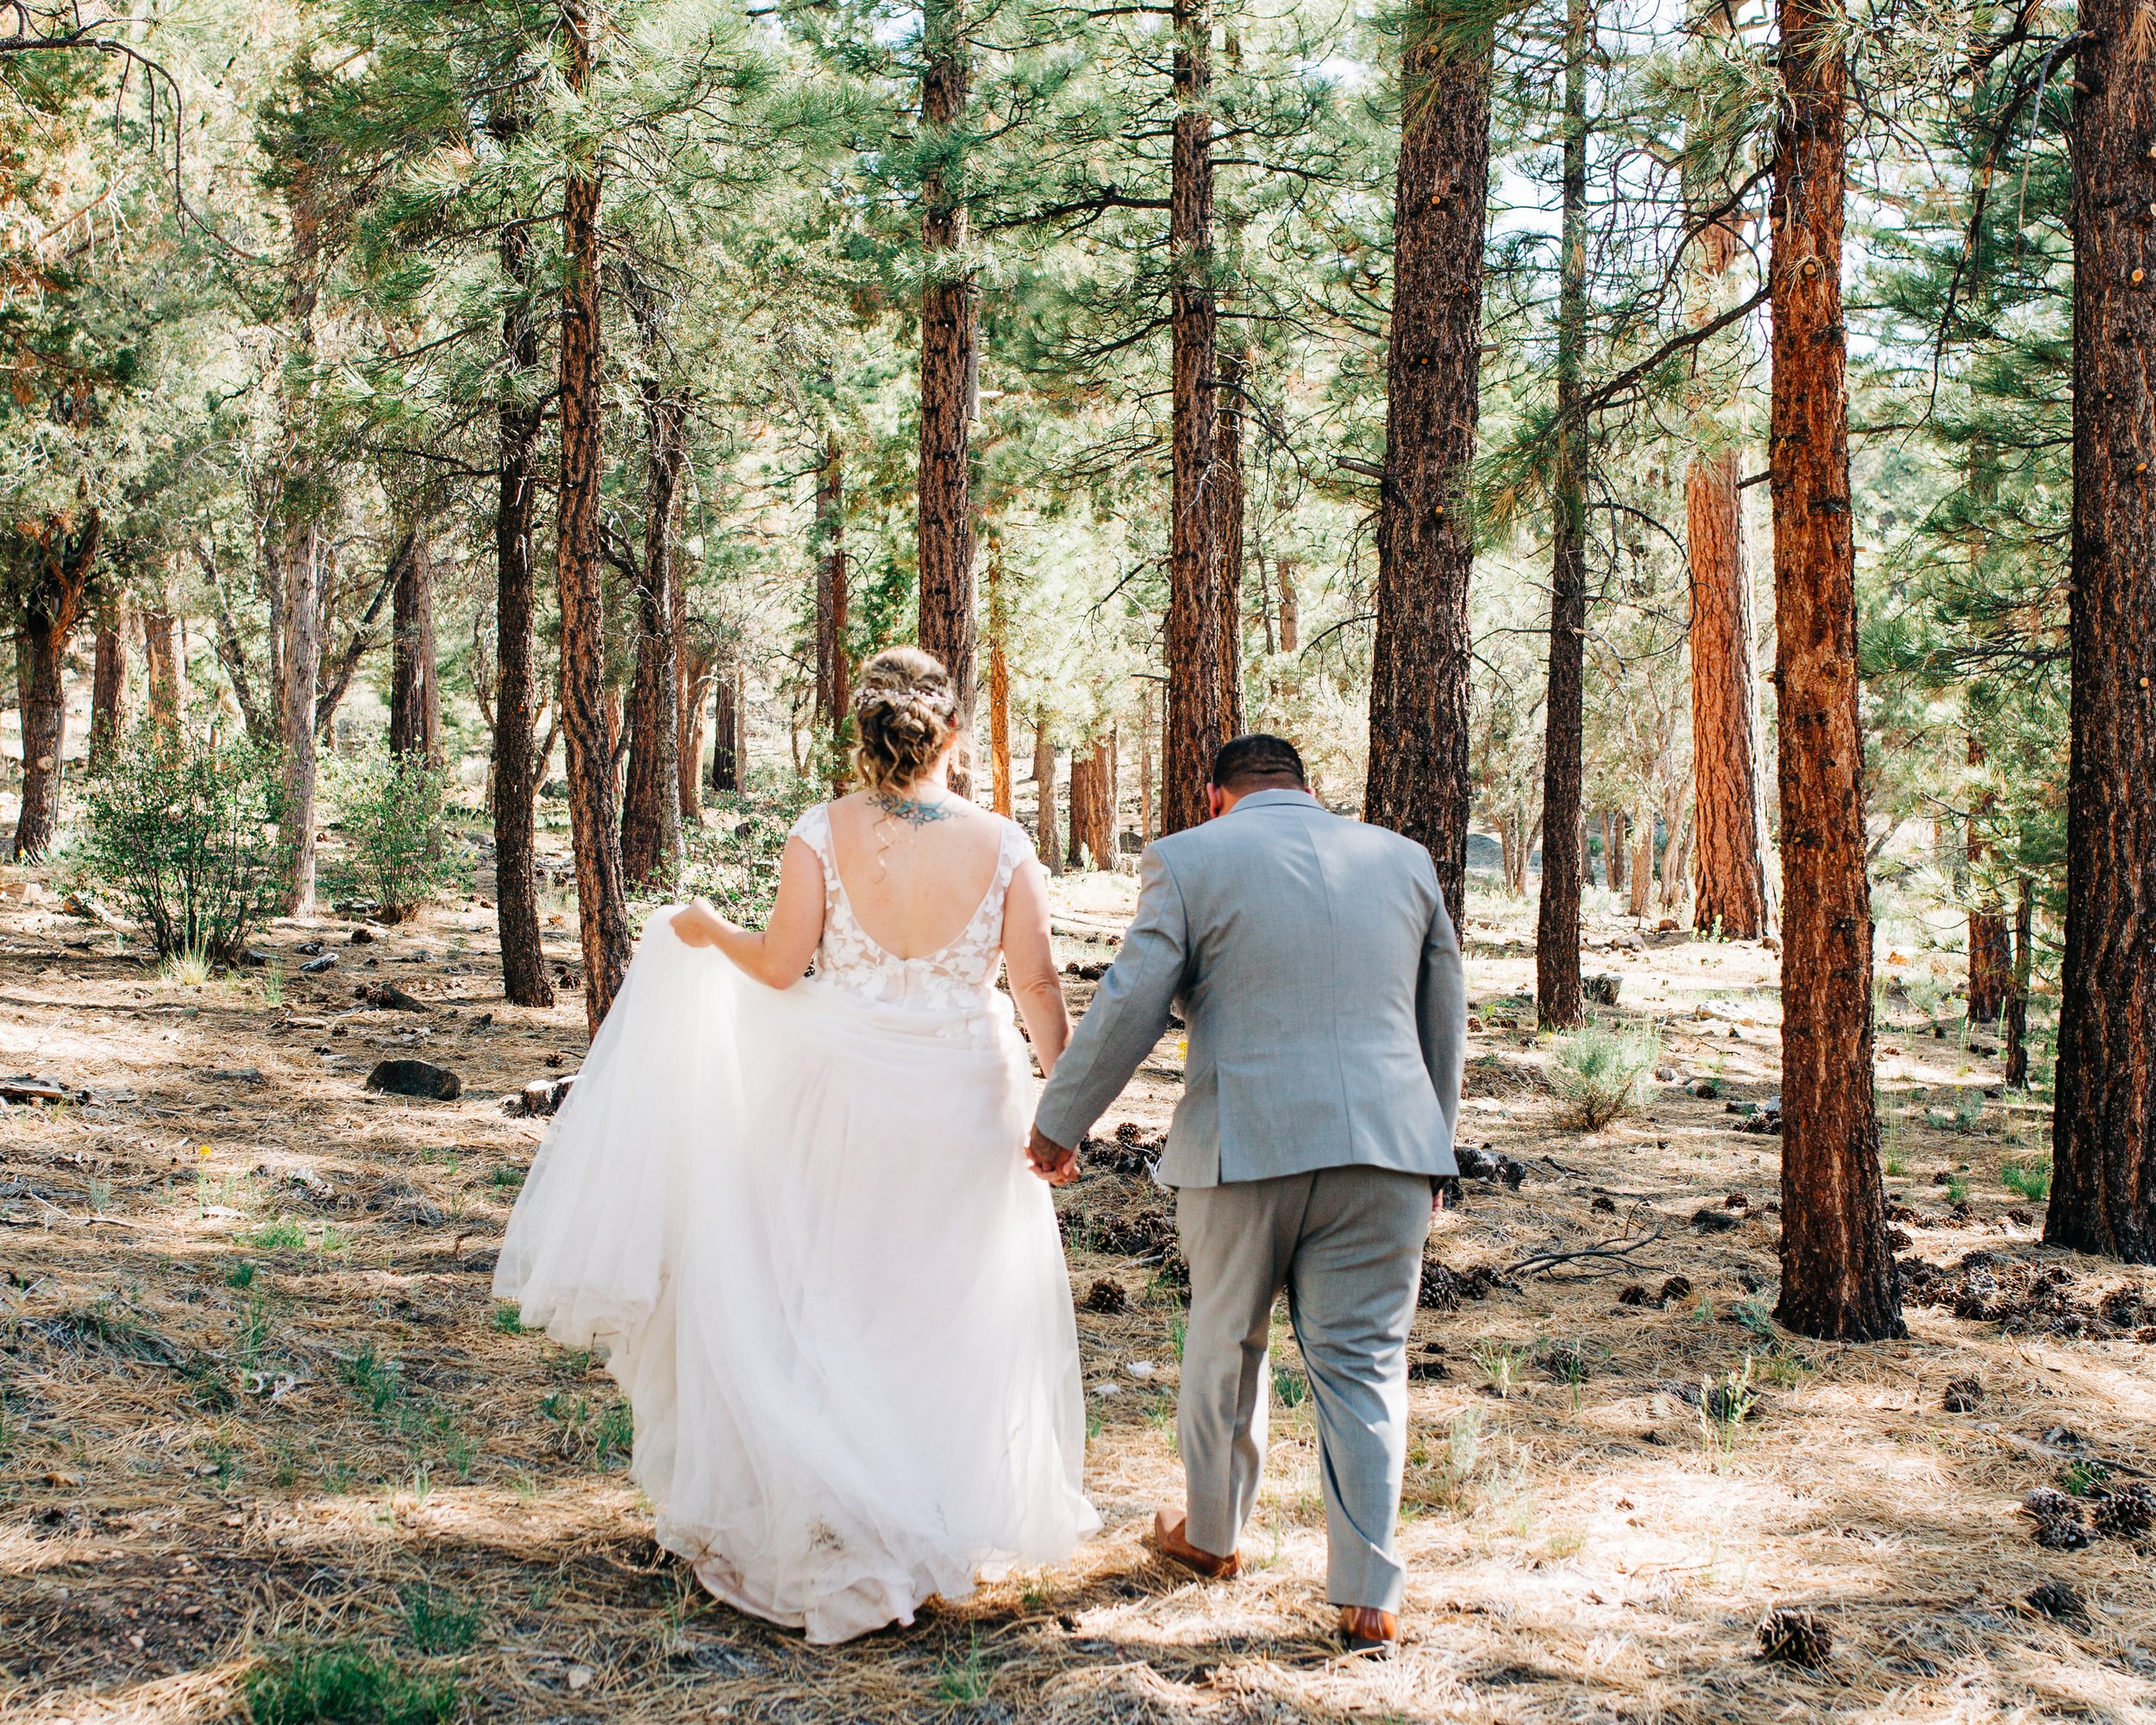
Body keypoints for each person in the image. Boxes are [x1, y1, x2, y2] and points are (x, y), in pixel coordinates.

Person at [495, 646, 1098, 1644]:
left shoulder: (820, 829)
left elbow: (780, 965)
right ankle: (922, 1513)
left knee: (834, 1288)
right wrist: (1062, 1107)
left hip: (842, 1085)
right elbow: (1034, 984)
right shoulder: (1002, 843)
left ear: (862, 732)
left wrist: (704, 929)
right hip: (962, 1093)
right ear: (949, 733)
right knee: (944, 1299)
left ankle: (839, 1507)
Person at [1026, 733, 1464, 1656]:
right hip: (1386, 1147)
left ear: (1216, 794)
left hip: (1245, 1148)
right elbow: (1442, 1012)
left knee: (1225, 1343)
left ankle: (1212, 1535)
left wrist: (1059, 1120)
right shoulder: (1402, 859)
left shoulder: (1188, 856)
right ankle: (1369, 1591)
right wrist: (1433, 1148)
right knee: (1364, 1363)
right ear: (1306, 787)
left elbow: (1132, 997)